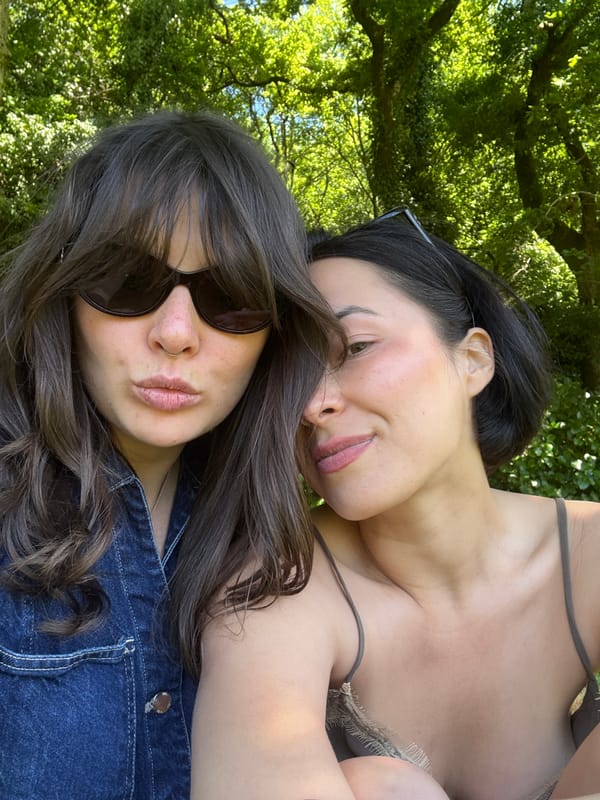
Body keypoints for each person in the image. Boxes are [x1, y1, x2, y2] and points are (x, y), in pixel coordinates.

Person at [189, 209, 600, 800]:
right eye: (286, 381)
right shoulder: (275, 587)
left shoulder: (584, 552)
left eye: (356, 347)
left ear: (473, 360)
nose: (311, 405)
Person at [0, 109, 335, 800]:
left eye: (230, 297)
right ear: (63, 295)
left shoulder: (279, 542)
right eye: (128, 279)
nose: (176, 332)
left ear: (276, 331)